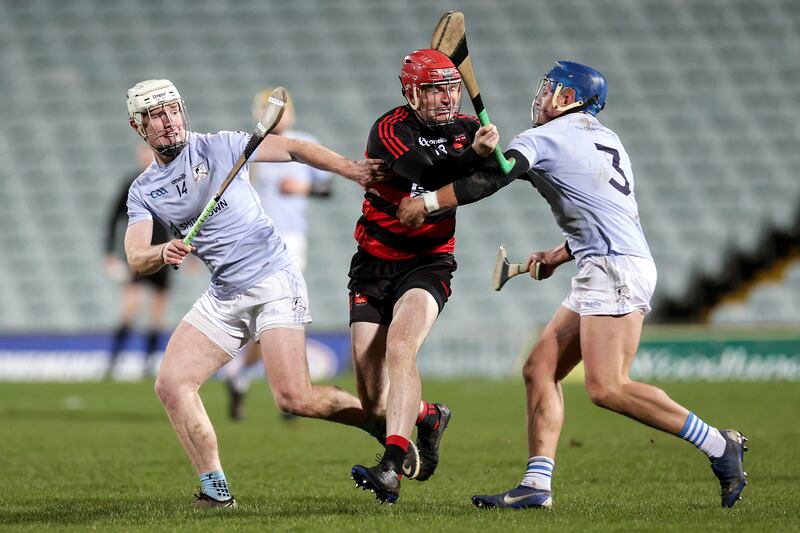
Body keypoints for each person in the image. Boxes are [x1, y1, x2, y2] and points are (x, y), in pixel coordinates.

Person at [397, 60, 748, 509]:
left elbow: (490, 179)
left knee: (608, 387)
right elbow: (605, 210)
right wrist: (560, 254)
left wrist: (427, 202)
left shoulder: (546, 138)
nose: (541, 96)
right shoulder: (604, 137)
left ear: (569, 98)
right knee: (540, 368)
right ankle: (536, 485)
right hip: (607, 262)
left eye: (551, 89)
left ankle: (719, 444)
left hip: (613, 269)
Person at [123, 79, 400, 508]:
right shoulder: (143, 190)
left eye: (173, 110)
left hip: (272, 278)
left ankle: (387, 428)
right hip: (224, 293)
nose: (169, 121)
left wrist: (352, 169)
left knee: (294, 398)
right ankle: (216, 492)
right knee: (172, 384)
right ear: (138, 126)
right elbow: (136, 256)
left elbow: (291, 149)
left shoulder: (217, 146)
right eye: (157, 115)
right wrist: (162, 250)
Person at [348, 49, 499, 504]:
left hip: (429, 261)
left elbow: (494, 178)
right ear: (411, 92)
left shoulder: (470, 129)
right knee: (372, 400)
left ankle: (391, 467)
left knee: (402, 344)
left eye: (451, 88)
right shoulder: (390, 129)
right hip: (373, 263)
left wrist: (507, 159)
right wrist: (473, 156)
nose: (445, 98)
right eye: (433, 90)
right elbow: (422, 171)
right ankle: (428, 416)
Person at [224, 88, 334, 421]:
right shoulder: (252, 149)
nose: (282, 115)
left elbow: (327, 186)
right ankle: (266, 382)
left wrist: (304, 188)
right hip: (258, 242)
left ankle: (275, 386)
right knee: (268, 320)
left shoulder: (304, 142)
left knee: (289, 313)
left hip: (292, 240)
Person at [104, 144, 171, 379]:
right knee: (129, 309)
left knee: (157, 312)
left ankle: (148, 365)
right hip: (138, 252)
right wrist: (109, 251)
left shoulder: (168, 181)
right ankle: (113, 361)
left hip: (163, 253)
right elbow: (114, 216)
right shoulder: (132, 184)